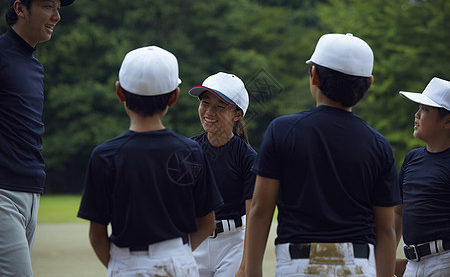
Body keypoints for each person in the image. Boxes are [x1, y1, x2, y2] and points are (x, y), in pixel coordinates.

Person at [245, 33, 401, 277]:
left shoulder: (283, 130)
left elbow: (261, 209)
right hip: (359, 266)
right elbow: (386, 231)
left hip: (299, 265)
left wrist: (251, 273)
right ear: (369, 83)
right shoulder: (378, 144)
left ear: (315, 75)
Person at [77, 46, 224, 276]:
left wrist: (122, 265)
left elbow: (96, 235)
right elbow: (207, 223)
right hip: (179, 260)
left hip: (126, 261)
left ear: (120, 93)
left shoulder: (104, 156)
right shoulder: (191, 151)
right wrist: (179, 256)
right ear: (174, 96)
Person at [0, 0, 76, 275]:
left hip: (30, 192)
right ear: (20, 8)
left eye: (57, 7)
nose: (56, 16)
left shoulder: (33, 65)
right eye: (47, 6)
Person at [188, 72, 257, 276]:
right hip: (194, 238)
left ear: (237, 114)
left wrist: (245, 266)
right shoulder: (189, 150)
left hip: (233, 245)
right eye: (205, 103)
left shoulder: (247, 158)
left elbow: (253, 216)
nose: (209, 111)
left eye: (220, 106)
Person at [394, 77, 450, 277]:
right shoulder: (412, 159)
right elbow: (398, 212)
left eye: (425, 110)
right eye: (418, 108)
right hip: (412, 263)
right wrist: (389, 257)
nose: (416, 115)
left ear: (448, 121)